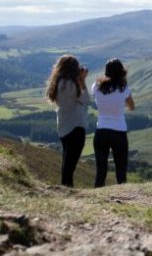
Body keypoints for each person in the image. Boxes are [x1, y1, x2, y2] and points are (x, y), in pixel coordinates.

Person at [46, 54, 89, 187]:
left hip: (63, 127)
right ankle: (67, 188)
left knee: (67, 160)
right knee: (71, 163)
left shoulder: (57, 83)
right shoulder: (72, 84)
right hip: (76, 125)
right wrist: (82, 81)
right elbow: (85, 100)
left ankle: (65, 187)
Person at [92, 58, 135, 187]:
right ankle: (123, 200)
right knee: (121, 171)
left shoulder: (96, 86)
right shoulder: (124, 88)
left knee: (101, 170)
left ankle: (96, 200)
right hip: (119, 131)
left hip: (101, 131)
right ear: (122, 71)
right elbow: (132, 106)